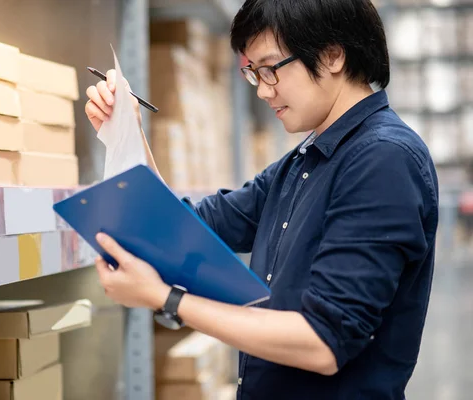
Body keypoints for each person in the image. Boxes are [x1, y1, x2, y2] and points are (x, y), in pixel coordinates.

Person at [85, 0, 439, 399]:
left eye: (271, 69)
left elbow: (323, 342)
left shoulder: (383, 160)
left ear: (333, 54)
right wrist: (128, 134)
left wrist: (165, 298)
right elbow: (183, 227)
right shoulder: (303, 163)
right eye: (254, 73)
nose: (264, 90)